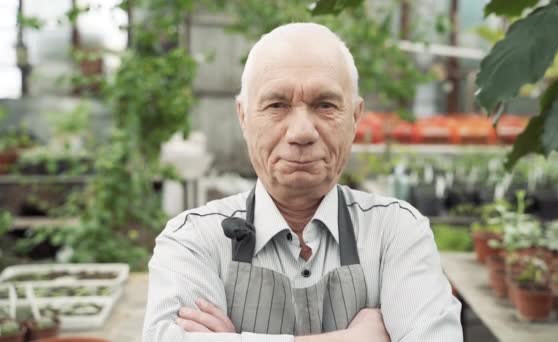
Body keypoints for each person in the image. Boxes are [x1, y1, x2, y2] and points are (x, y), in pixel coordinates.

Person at [142, 22, 462, 342]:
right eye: (277, 105)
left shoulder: (397, 231)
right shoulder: (194, 240)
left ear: (355, 117)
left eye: (325, 105)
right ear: (243, 117)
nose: (301, 133)